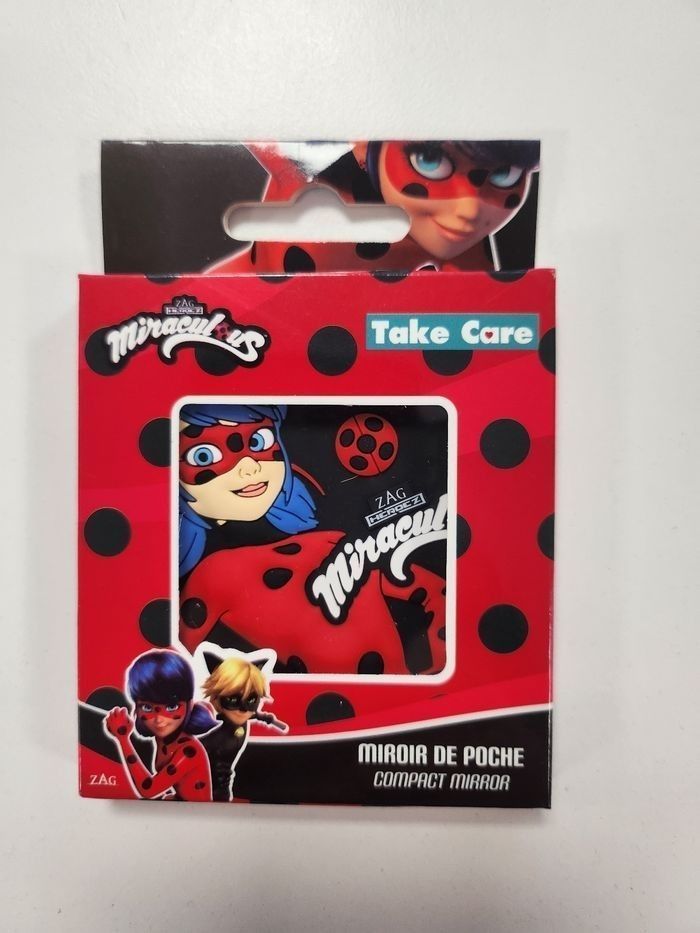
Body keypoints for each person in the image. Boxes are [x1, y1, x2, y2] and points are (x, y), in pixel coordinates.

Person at [178, 403, 446, 676]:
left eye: (259, 441)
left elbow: (434, 591)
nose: (249, 467)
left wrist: (437, 674)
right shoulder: (214, 576)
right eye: (204, 456)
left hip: (404, 697)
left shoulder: (336, 542)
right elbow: (173, 666)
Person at [104, 649, 216, 801]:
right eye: (147, 707)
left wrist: (123, 739)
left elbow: (148, 790)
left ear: (189, 705)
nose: (159, 719)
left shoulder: (189, 751)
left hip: (198, 811)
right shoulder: (166, 739)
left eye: (171, 707)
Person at [199, 651, 287, 802]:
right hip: (209, 788)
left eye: (251, 699)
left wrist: (266, 718)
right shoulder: (217, 736)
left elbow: (252, 714)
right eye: (233, 699)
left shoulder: (241, 717)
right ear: (217, 698)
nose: (243, 709)